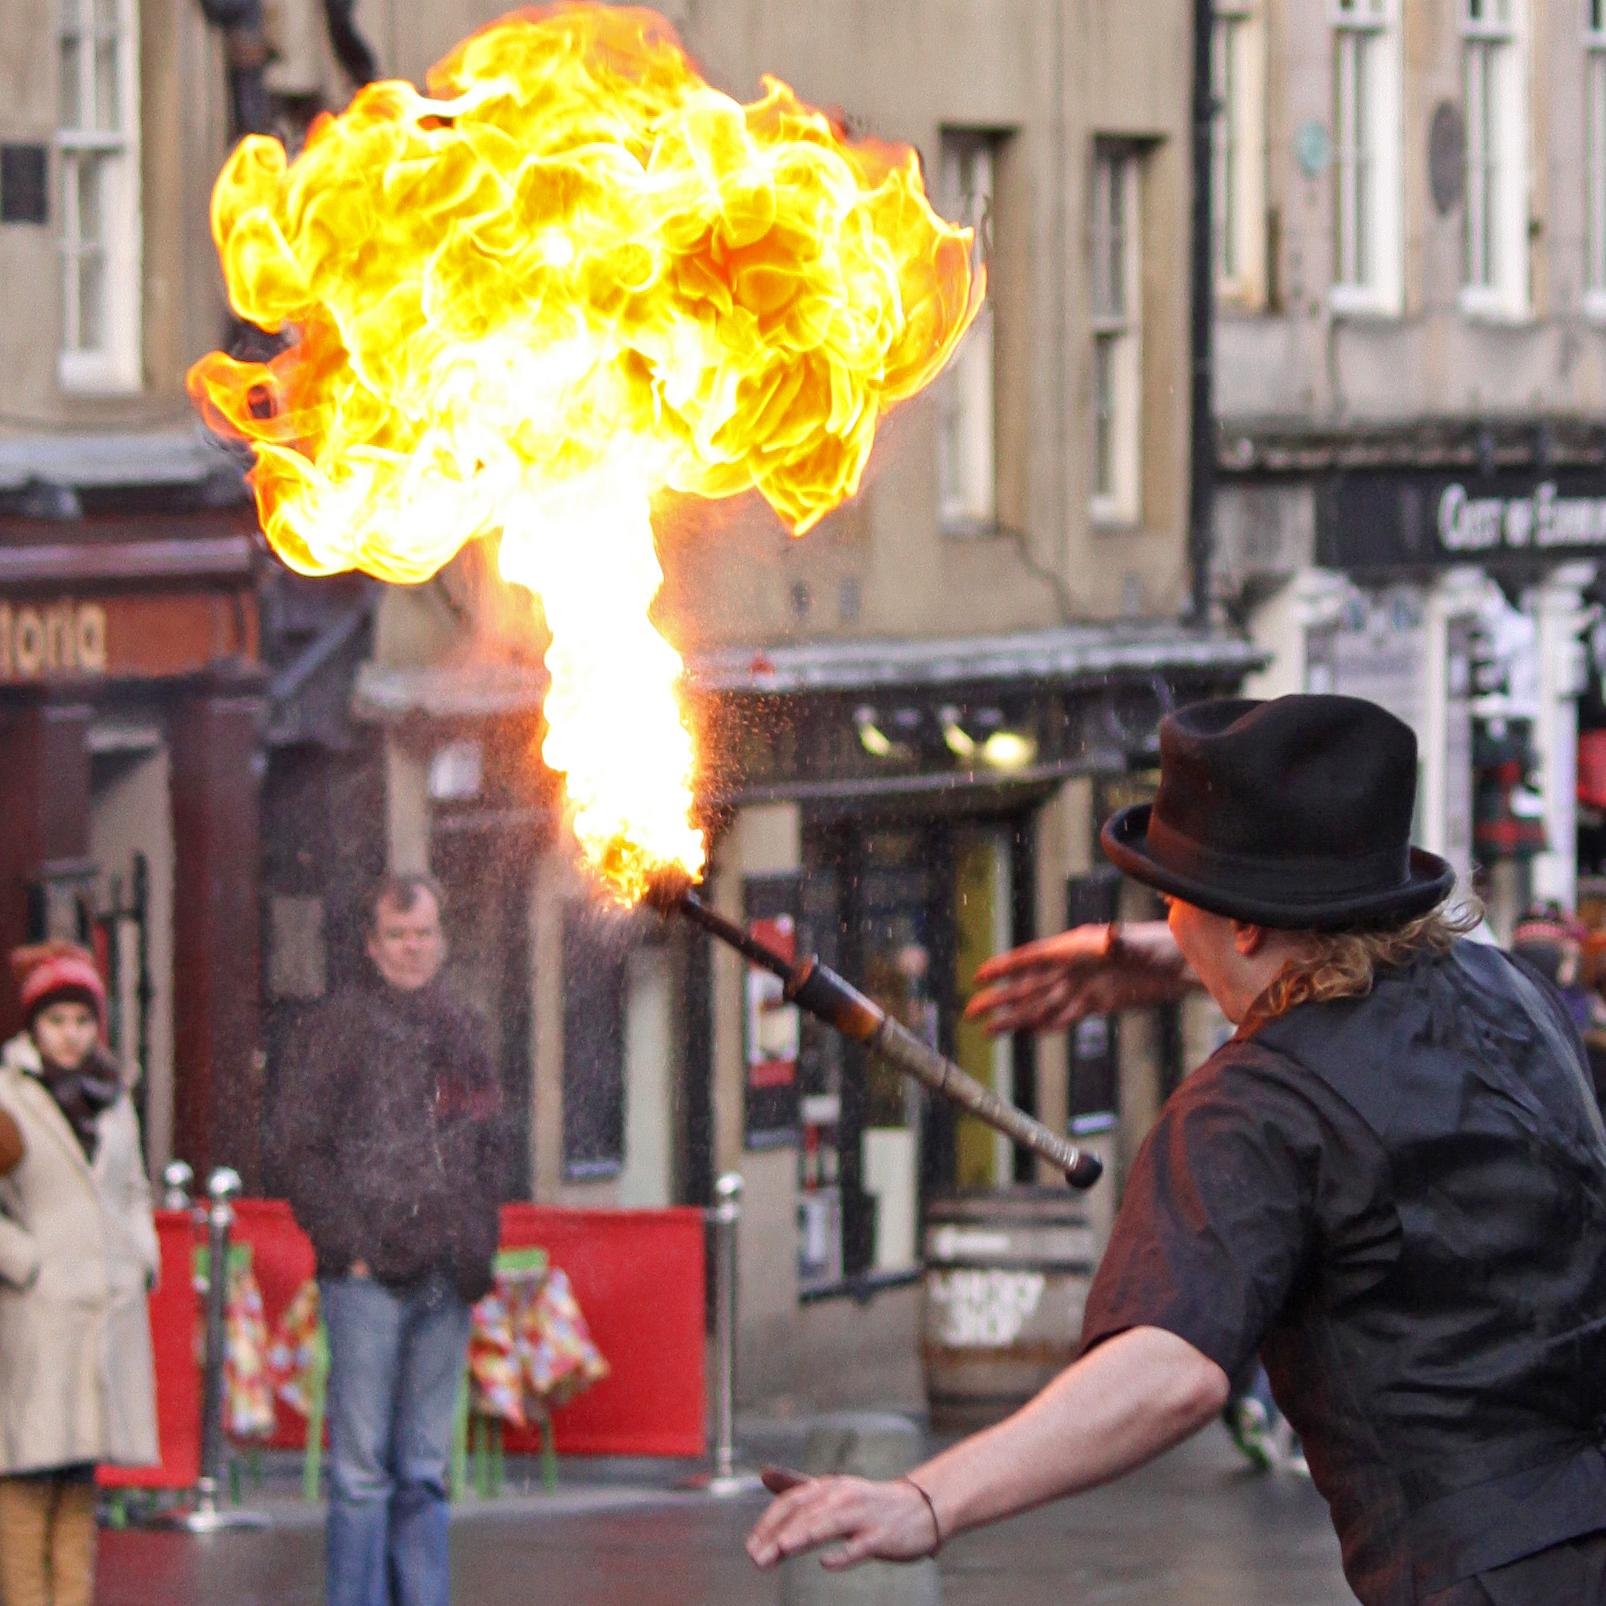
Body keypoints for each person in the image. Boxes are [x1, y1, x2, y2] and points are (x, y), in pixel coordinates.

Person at [747, 696, 1606, 1605]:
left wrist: (929, 1498)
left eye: (1174, 895)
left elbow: (1170, 1370)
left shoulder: (1256, 1104)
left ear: (1242, 924)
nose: (1163, 906)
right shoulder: (1504, 989)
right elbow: (1357, 971)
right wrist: (1179, 953)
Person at [268, 874, 511, 1606]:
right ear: (373, 946)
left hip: (446, 1272)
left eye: (425, 934)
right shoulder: (336, 1027)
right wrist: (349, 1245)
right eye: (399, 935)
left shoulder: (463, 1028)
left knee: (424, 1472)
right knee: (362, 1473)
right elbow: (295, 1147)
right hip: (367, 1279)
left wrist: (475, 1237)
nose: (413, 948)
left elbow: (492, 1141)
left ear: (441, 941)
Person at [0, 941, 159, 1606]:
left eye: (82, 1020)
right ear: (34, 1024)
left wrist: (141, 1253)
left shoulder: (113, 1096)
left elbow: (133, 1188)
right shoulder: (8, 1095)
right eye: (57, 1020)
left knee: (76, 1487)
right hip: (37, 1313)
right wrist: (21, 1259)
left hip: (103, 1310)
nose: (71, 1035)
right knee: (26, 1484)